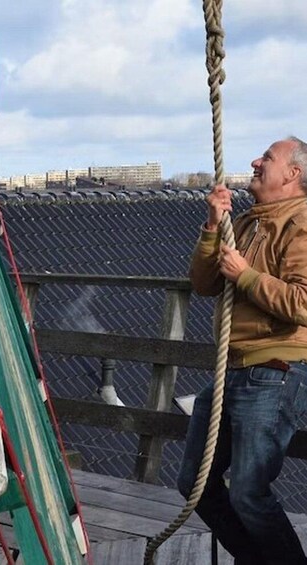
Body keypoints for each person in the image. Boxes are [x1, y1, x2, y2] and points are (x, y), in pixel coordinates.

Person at [178, 136, 307, 564]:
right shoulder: (250, 222)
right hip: (234, 370)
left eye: (267, 158)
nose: (255, 161)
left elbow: (303, 303)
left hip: (273, 369)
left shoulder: (302, 222)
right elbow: (205, 283)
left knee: (250, 492)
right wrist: (213, 227)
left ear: (293, 174)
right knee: (194, 482)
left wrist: (247, 275)